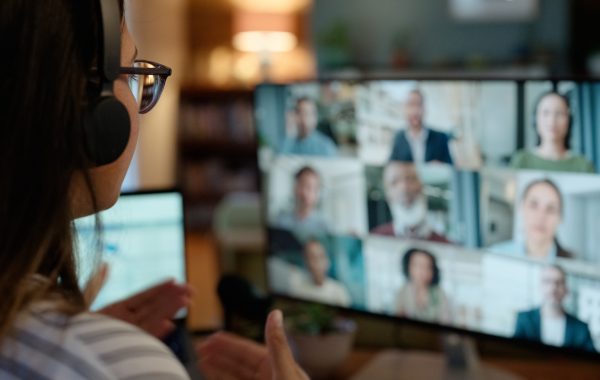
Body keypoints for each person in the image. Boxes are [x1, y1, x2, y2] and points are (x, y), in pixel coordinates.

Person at [0, 1, 305, 379]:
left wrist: (80, 336)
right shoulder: (128, 367)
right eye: (131, 73)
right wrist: (99, 351)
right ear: (93, 112)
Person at [514, 265, 596, 352]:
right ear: (540, 286)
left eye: (558, 282)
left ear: (566, 289)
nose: (553, 288)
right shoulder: (524, 320)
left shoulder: (580, 329)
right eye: (547, 281)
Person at [510, 91, 595, 173]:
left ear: (569, 121)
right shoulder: (521, 161)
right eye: (545, 113)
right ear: (535, 120)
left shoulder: (583, 166)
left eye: (559, 113)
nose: (552, 121)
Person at [489, 179, 573, 261]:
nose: (541, 216)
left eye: (550, 209)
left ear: (560, 218)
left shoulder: (574, 270)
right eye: (533, 205)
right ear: (521, 208)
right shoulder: (495, 256)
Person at [371, 161, 450, 243]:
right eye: (394, 182)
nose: (404, 188)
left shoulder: (446, 244)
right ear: (388, 196)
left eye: (410, 179)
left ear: (421, 187)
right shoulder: (375, 240)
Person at [389, 89, 453, 165]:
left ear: (424, 108)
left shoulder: (441, 138)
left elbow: (451, 169)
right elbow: (391, 167)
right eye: (411, 105)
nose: (415, 110)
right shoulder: (398, 138)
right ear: (405, 109)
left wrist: (440, 167)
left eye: (418, 105)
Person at [288, 240, 351, 307]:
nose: (317, 262)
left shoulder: (339, 291)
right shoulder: (298, 289)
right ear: (306, 262)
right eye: (312, 257)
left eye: (321, 256)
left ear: (328, 261)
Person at [395, 248, 451, 324]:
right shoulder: (402, 293)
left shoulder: (439, 293)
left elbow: (446, 322)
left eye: (427, 267)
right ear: (409, 268)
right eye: (418, 266)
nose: (423, 271)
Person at [274, 166, 329, 240]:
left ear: (317, 192)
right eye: (302, 185)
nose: (305, 193)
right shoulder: (281, 221)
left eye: (310, 187)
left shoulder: (325, 225)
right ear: (295, 188)